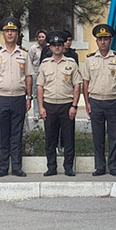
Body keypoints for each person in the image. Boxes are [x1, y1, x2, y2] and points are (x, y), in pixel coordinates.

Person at [80, 24, 116, 176]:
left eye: (106, 39)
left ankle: (113, 167)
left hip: (113, 101)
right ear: (96, 41)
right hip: (95, 101)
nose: (103, 42)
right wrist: (87, 103)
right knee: (98, 137)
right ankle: (100, 167)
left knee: (114, 136)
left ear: (110, 40)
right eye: (100, 39)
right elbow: (85, 82)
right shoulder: (89, 60)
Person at [0, 17, 33, 177]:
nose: (10, 34)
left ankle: (16, 167)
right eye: (7, 31)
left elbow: (28, 76)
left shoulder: (24, 54)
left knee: (16, 134)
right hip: (2, 97)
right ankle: (3, 167)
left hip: (19, 98)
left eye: (13, 31)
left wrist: (29, 97)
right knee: (3, 134)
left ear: (17, 33)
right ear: (3, 33)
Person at [37, 31, 81, 176]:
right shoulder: (44, 64)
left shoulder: (71, 63)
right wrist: (41, 107)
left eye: (59, 45)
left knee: (68, 138)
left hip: (66, 105)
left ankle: (68, 167)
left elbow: (77, 85)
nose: (57, 47)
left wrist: (74, 106)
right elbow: (40, 86)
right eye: (54, 45)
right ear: (50, 47)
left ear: (63, 46)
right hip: (49, 105)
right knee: (50, 139)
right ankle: (51, 167)